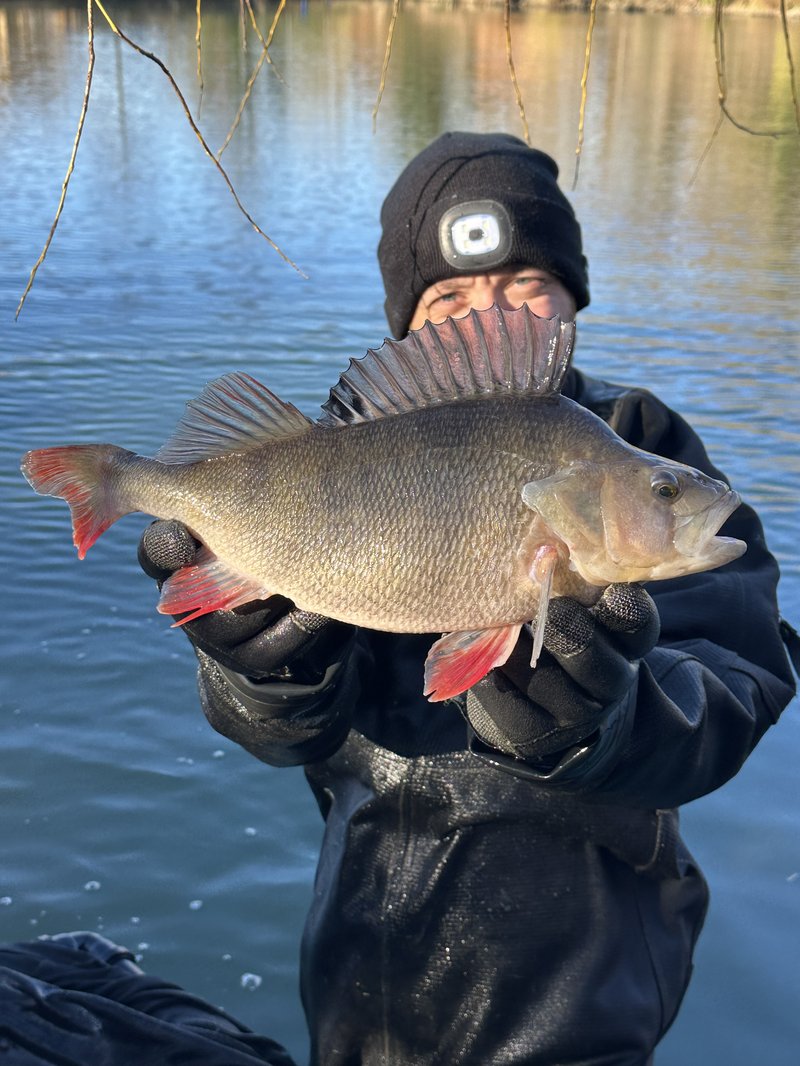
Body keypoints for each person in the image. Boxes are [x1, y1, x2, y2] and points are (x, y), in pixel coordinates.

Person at [136, 132, 798, 1065]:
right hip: (366, 954)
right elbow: (288, 737)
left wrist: (605, 720)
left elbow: (739, 684)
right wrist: (261, 672)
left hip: (588, 976)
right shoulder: (333, 459)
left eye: (526, 281)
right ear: (405, 325)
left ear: (572, 295)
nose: (488, 312)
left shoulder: (642, 443)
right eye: (447, 295)